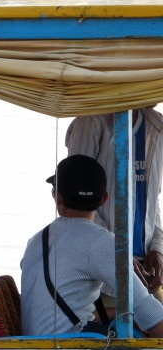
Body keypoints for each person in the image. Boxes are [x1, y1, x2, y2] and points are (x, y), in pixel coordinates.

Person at [20, 154, 163, 337]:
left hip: (32, 345)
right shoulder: (101, 242)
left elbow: (61, 314)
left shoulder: (36, 240)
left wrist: (123, 314)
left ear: (58, 197)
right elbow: (148, 313)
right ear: (103, 199)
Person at [65, 107, 163, 302]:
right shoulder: (91, 121)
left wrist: (157, 247)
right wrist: (116, 252)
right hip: (100, 279)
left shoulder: (157, 125)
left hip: (144, 274)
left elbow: (152, 200)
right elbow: (77, 203)